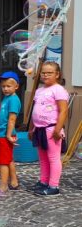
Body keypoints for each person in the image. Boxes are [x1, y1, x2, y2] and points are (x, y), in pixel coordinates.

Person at [29, 61, 69, 196]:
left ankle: (53, 186)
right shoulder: (39, 90)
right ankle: (44, 182)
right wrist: (32, 128)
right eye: (43, 72)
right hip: (39, 129)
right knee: (43, 158)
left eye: (49, 73)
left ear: (57, 74)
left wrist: (58, 129)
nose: (45, 75)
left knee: (53, 158)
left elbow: (63, 111)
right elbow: (35, 110)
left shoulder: (59, 90)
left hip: (51, 129)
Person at [0, 71, 22, 192]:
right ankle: (14, 182)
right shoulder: (7, 98)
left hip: (5, 135)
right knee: (8, 159)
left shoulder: (14, 100)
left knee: (3, 162)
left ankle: (3, 185)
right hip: (2, 133)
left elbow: (12, 118)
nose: (5, 89)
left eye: (8, 86)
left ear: (16, 86)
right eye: (3, 86)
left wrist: (9, 135)